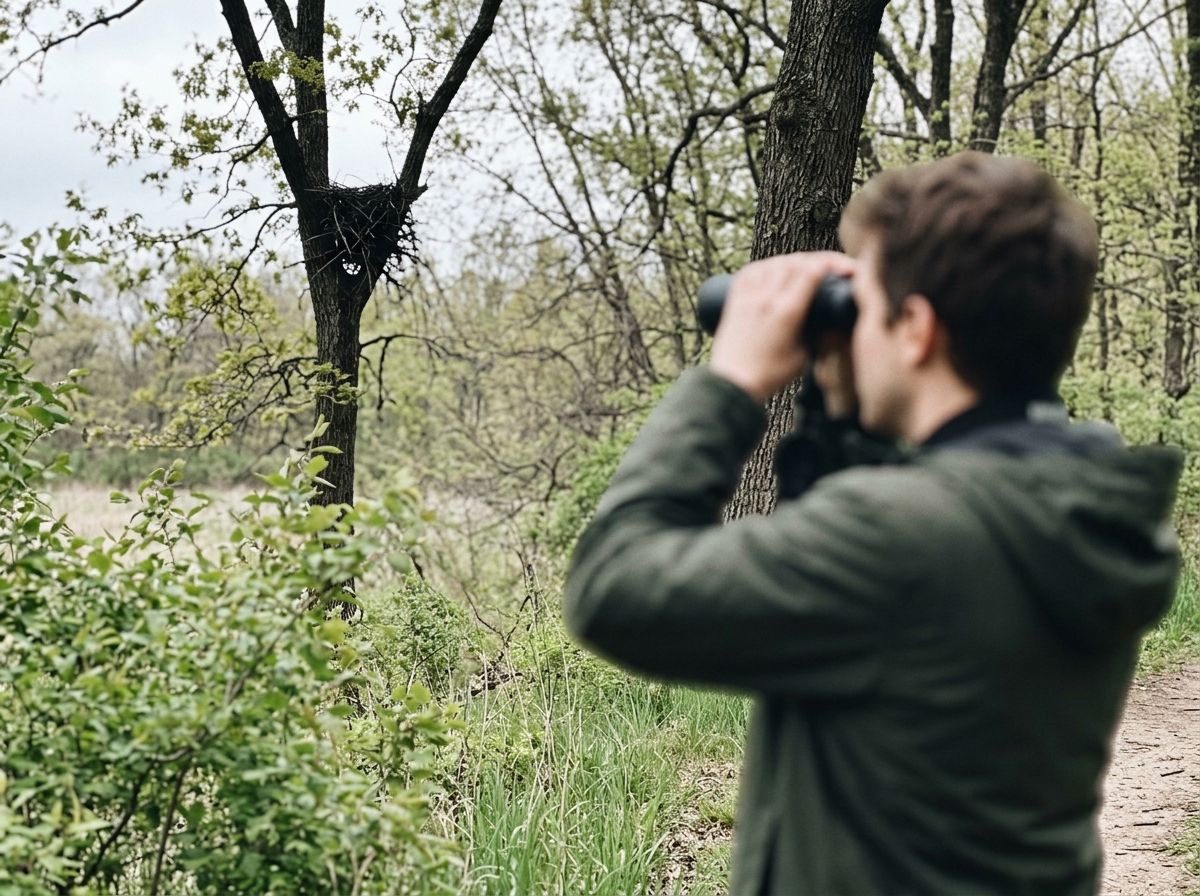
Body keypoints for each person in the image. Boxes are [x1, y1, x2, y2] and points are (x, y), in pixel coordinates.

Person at [563, 151, 1182, 895]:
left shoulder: (910, 538)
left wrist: (728, 383)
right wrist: (838, 412)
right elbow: (874, 584)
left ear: (915, 330)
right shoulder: (1068, 508)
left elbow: (612, 587)